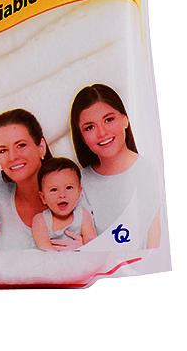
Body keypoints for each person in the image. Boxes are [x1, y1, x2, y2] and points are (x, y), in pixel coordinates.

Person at [0, 108, 78, 251]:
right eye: (3, 150)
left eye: (21, 145)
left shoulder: (72, 184)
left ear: (41, 147)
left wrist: (87, 248)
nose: (12, 157)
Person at [70, 84, 163, 249]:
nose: (102, 133)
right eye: (90, 127)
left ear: (125, 120)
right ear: (82, 137)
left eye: (109, 119)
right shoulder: (78, 183)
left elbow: (155, 247)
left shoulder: (151, 172)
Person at [31, 157, 96, 251]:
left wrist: (84, 248)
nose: (62, 195)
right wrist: (59, 258)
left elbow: (91, 241)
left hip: (79, 257)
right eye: (54, 190)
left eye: (69, 187)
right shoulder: (40, 220)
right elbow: (43, 246)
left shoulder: (83, 215)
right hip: (50, 258)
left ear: (79, 192)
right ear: (43, 197)